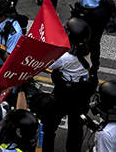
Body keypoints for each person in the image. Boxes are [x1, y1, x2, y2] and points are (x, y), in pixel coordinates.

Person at [41, 18, 96, 152]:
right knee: (75, 129)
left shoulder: (65, 58)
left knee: (49, 127)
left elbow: (49, 64)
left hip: (63, 95)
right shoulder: (87, 51)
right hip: (80, 96)